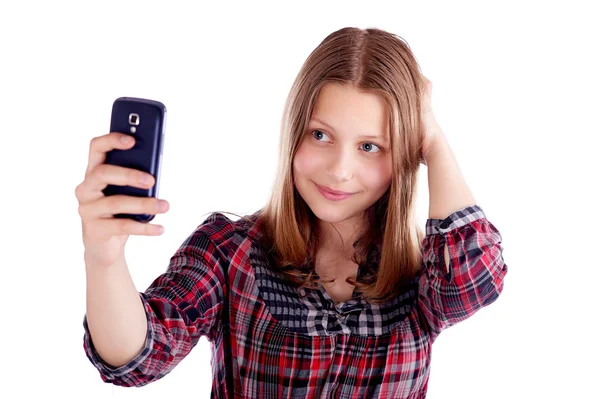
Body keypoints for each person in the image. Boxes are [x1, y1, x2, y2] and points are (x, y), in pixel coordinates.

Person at [76, 27, 508, 398]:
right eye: (320, 134)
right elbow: (139, 358)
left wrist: (432, 138)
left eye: (370, 146)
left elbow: (473, 283)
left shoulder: (424, 272)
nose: (339, 171)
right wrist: (104, 259)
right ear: (293, 131)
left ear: (405, 155)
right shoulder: (230, 250)